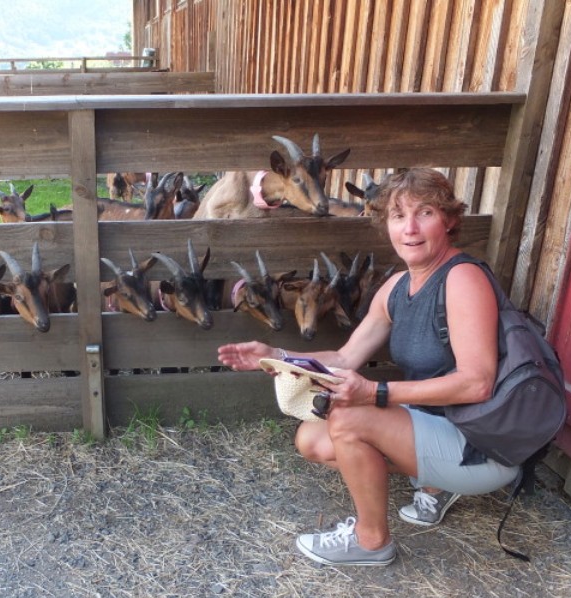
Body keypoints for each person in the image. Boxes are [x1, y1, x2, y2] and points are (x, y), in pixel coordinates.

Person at [217, 168, 520, 567]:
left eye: (425, 213)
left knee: (348, 418)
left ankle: (372, 540)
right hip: (440, 424)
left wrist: (375, 393)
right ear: (386, 224)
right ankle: (434, 481)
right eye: (398, 215)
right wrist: (276, 354)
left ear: (448, 220)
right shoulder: (397, 286)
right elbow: (345, 358)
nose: (410, 228)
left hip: (483, 445)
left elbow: (476, 384)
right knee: (313, 439)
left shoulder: (462, 279)